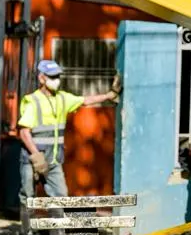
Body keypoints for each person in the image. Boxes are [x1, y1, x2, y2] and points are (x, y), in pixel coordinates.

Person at [18, 59, 120, 204]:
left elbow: (85, 100)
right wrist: (36, 156)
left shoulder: (62, 98)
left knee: (60, 197)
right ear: (42, 78)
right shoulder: (32, 101)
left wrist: (109, 95)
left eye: (57, 77)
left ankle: (58, 227)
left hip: (53, 161)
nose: (56, 80)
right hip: (32, 159)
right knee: (28, 197)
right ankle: (28, 227)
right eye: (52, 77)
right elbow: (24, 132)